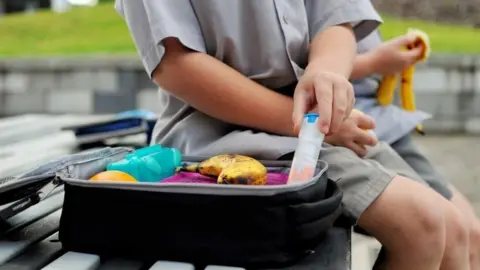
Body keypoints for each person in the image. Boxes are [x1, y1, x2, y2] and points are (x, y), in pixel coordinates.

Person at [115, 1, 470, 269]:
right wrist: (306, 119)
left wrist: (325, 73)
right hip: (225, 136)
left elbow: (335, 19)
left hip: (323, 124)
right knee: (419, 222)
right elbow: (176, 65)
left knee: (454, 230)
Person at [351, 28, 480, 269]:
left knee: (469, 233)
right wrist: (373, 63)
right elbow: (298, 71)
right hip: (348, 125)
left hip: (381, 120)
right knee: (437, 232)